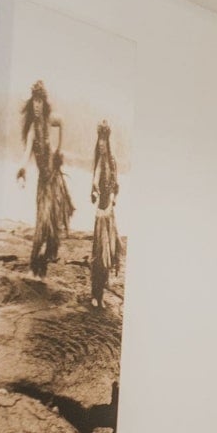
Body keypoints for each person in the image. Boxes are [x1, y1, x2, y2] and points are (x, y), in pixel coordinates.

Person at [15, 79, 74, 278]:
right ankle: (33, 267)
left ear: (44, 103)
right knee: (42, 224)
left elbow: (62, 122)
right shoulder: (33, 129)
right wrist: (22, 169)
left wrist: (59, 150)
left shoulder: (50, 120)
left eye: (40, 101)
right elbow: (26, 153)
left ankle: (42, 268)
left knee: (53, 228)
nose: (37, 105)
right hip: (43, 184)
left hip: (55, 181)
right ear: (31, 103)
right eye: (35, 101)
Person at [89, 120, 121, 309]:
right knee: (98, 256)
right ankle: (95, 294)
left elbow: (116, 187)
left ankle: (100, 296)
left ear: (107, 142)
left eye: (103, 142)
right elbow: (95, 179)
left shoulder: (113, 162)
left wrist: (112, 201)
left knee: (107, 257)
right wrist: (95, 191)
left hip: (109, 215)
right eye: (99, 143)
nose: (101, 146)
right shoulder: (100, 162)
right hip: (100, 215)